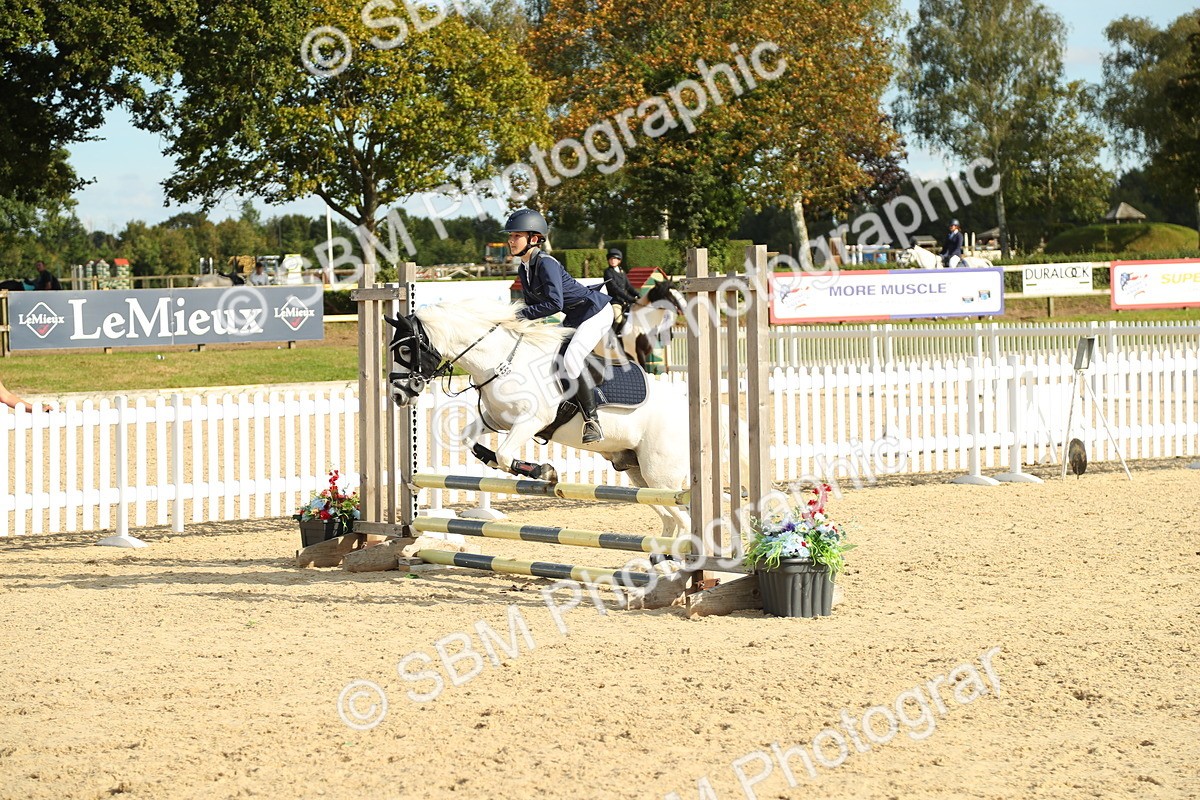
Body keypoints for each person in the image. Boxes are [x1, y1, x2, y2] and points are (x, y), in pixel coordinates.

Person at [505, 208, 615, 444]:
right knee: (551, 355)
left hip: (595, 312)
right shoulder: (524, 268)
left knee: (571, 359)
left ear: (534, 239)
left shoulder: (546, 263)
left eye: (516, 236)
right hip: (575, 315)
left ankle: (592, 421)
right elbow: (532, 307)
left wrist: (518, 315)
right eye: (511, 236)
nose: (511, 240)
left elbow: (555, 303)